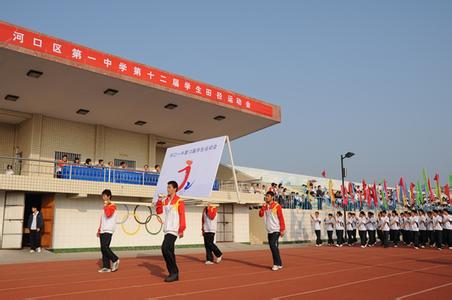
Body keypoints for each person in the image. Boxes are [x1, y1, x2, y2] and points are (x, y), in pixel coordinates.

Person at [156, 181, 186, 282]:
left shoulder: (179, 201)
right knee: (170, 252)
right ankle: (174, 274)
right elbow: (159, 211)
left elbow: (182, 215)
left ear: (175, 189)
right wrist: (159, 200)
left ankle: (174, 272)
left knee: (164, 248)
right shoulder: (166, 200)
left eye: (169, 187)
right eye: (167, 187)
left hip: (174, 229)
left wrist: (181, 229)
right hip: (167, 229)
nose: (167, 189)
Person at [259, 191, 285, 271]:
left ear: (272, 197)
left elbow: (281, 218)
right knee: (273, 247)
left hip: (276, 230)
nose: (266, 197)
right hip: (269, 230)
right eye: (266, 196)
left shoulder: (277, 206)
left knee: (273, 246)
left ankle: (276, 264)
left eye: (268, 196)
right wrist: (262, 208)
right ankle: (279, 263)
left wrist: (282, 229)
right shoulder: (265, 206)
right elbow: (260, 215)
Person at [97, 189, 120, 273]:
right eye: (102, 196)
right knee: (103, 249)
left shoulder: (112, 205)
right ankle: (106, 266)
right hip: (103, 229)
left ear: (108, 196)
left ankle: (115, 259)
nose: (103, 197)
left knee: (105, 247)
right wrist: (99, 229)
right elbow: (102, 219)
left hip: (109, 229)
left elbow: (108, 214)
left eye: (104, 195)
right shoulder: (105, 206)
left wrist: (106, 205)